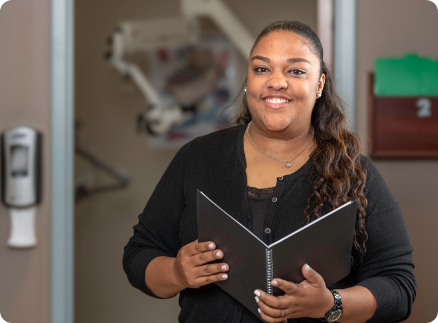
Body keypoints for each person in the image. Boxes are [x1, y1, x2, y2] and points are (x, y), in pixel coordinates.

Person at [123, 21, 416, 323]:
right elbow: (139, 254)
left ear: (319, 85)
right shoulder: (197, 157)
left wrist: (331, 303)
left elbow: (399, 287)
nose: (276, 82)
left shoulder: (356, 172)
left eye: (296, 71)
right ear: (248, 81)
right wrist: (176, 272)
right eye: (262, 69)